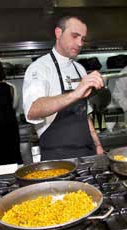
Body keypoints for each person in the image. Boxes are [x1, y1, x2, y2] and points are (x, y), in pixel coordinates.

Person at [23, 16, 104, 160]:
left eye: (83, 39)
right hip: (58, 158)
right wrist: (75, 93)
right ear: (58, 33)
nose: (79, 43)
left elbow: (85, 115)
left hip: (87, 154)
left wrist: (97, 145)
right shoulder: (40, 68)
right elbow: (32, 110)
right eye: (74, 36)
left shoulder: (80, 69)